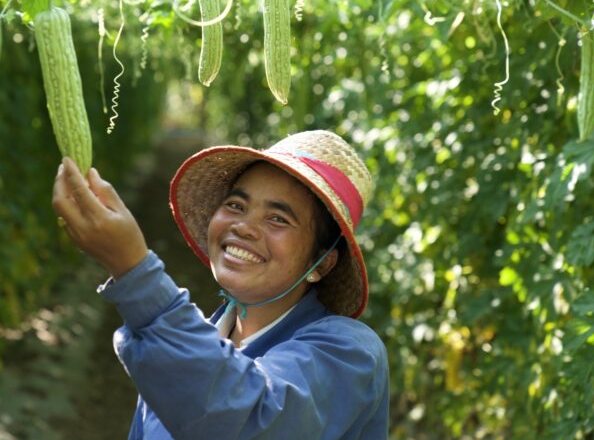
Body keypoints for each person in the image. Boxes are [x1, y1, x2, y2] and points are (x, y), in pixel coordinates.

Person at [52, 130, 389, 439]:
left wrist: (135, 272)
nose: (243, 226)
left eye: (278, 218)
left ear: (322, 263)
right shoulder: (185, 343)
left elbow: (248, 418)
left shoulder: (350, 353)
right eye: (235, 205)